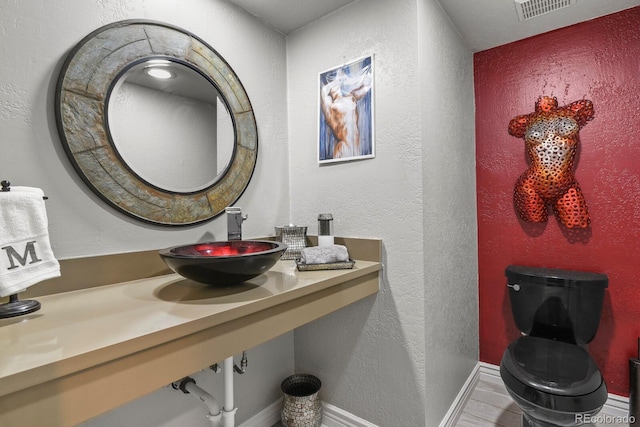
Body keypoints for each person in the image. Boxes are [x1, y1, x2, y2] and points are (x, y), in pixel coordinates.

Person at [508, 95, 595, 229]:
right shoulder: (529, 120)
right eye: (542, 101)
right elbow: (513, 127)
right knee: (534, 224)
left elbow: (586, 106)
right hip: (531, 186)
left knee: (578, 224)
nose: (546, 101)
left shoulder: (569, 112)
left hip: (566, 184)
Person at [320, 65, 372, 159]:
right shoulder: (331, 107)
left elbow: (368, 83)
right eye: (333, 80)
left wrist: (349, 80)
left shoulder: (351, 96)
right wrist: (338, 81)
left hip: (356, 149)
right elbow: (323, 91)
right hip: (342, 150)